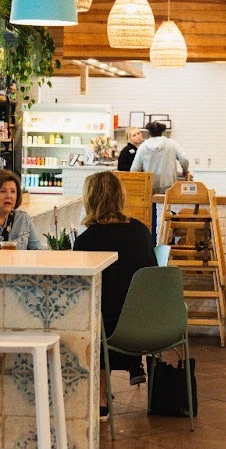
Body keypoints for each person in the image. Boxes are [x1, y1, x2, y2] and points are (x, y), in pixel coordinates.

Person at [74, 170, 156, 405]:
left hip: (108, 329)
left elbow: (82, 292)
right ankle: (133, 363)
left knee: (92, 316)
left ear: (90, 198)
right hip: (148, 323)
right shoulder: (140, 231)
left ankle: (100, 398)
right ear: (120, 196)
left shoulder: (86, 240)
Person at [130, 121, 189, 193]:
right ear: (162, 132)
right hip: (170, 187)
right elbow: (185, 159)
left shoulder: (143, 147)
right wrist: (185, 170)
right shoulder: (171, 143)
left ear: (149, 132)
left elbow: (134, 169)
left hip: (150, 188)